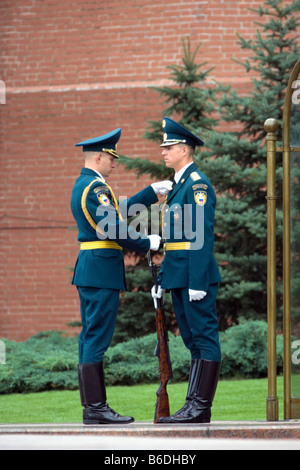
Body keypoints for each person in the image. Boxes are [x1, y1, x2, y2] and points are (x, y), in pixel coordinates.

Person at [71, 127, 172, 425]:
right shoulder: (96, 188)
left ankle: (94, 407)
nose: (115, 164)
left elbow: (117, 213)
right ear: (99, 157)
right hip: (100, 269)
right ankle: (95, 408)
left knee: (92, 337)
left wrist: (151, 193)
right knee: (96, 338)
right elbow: (113, 227)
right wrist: (149, 242)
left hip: (94, 268)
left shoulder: (87, 185)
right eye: (112, 159)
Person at [152, 117, 222, 424]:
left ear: (184, 149)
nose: (163, 152)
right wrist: (164, 278)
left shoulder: (197, 185)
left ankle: (199, 406)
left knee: (204, 338)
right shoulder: (179, 185)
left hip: (196, 276)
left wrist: (197, 282)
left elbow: (201, 238)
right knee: (192, 341)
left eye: (168, 147)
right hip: (179, 274)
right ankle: (194, 406)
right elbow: (174, 240)